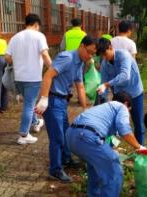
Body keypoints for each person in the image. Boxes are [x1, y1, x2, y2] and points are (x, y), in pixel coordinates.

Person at [35, 36, 97, 183]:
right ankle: (55, 170)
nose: (90, 56)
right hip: (52, 100)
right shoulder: (67, 57)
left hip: (62, 101)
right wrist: (44, 98)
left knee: (66, 132)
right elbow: (48, 75)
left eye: (93, 54)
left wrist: (85, 108)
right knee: (56, 137)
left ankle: (66, 159)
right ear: (82, 46)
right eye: (89, 52)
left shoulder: (80, 63)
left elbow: (80, 86)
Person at [66, 92, 147, 197]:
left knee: (95, 166)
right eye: (129, 110)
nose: (128, 113)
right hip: (87, 137)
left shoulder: (104, 107)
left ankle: (93, 194)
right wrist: (139, 147)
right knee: (114, 172)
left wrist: (110, 149)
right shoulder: (121, 107)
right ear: (126, 103)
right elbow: (124, 129)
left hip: (71, 136)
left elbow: (114, 135)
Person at [5, 13, 52, 145]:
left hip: (18, 78)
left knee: (28, 104)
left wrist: (19, 60)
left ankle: (36, 122)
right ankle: (24, 135)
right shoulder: (39, 36)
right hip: (32, 78)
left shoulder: (15, 37)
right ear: (36, 24)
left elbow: (7, 58)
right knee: (29, 105)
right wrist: (54, 70)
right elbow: (45, 55)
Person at [96, 38, 145, 145]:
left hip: (135, 93)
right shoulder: (105, 64)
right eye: (101, 55)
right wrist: (102, 102)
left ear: (110, 47)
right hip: (120, 96)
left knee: (138, 125)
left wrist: (107, 84)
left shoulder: (124, 55)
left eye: (105, 53)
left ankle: (141, 151)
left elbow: (125, 76)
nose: (104, 57)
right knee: (115, 124)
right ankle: (111, 149)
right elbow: (103, 83)